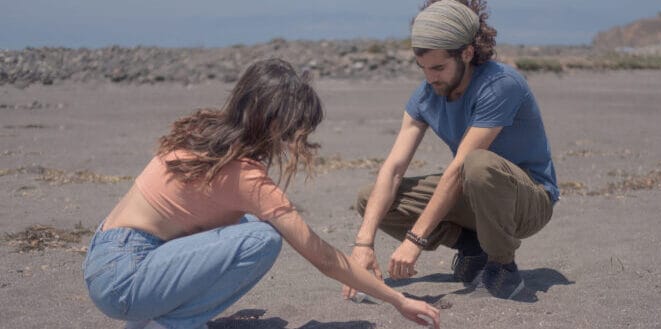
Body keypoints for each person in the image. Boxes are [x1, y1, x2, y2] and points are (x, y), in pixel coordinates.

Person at [82, 58, 440, 329]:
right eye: (294, 130)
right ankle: (172, 322)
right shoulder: (244, 175)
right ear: (273, 122)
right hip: (126, 280)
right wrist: (397, 299)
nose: (294, 142)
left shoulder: (206, 132)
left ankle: (163, 314)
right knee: (261, 238)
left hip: (106, 258)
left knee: (249, 223)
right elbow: (324, 258)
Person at [342, 0, 559, 301]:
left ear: (467, 53)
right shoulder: (426, 94)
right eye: (423, 68)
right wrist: (363, 244)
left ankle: (503, 267)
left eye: (439, 68)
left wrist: (414, 240)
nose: (430, 78)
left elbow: (459, 169)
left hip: (529, 201)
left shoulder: (500, 84)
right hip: (475, 194)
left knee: (477, 164)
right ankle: (472, 245)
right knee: (372, 198)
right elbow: (392, 169)